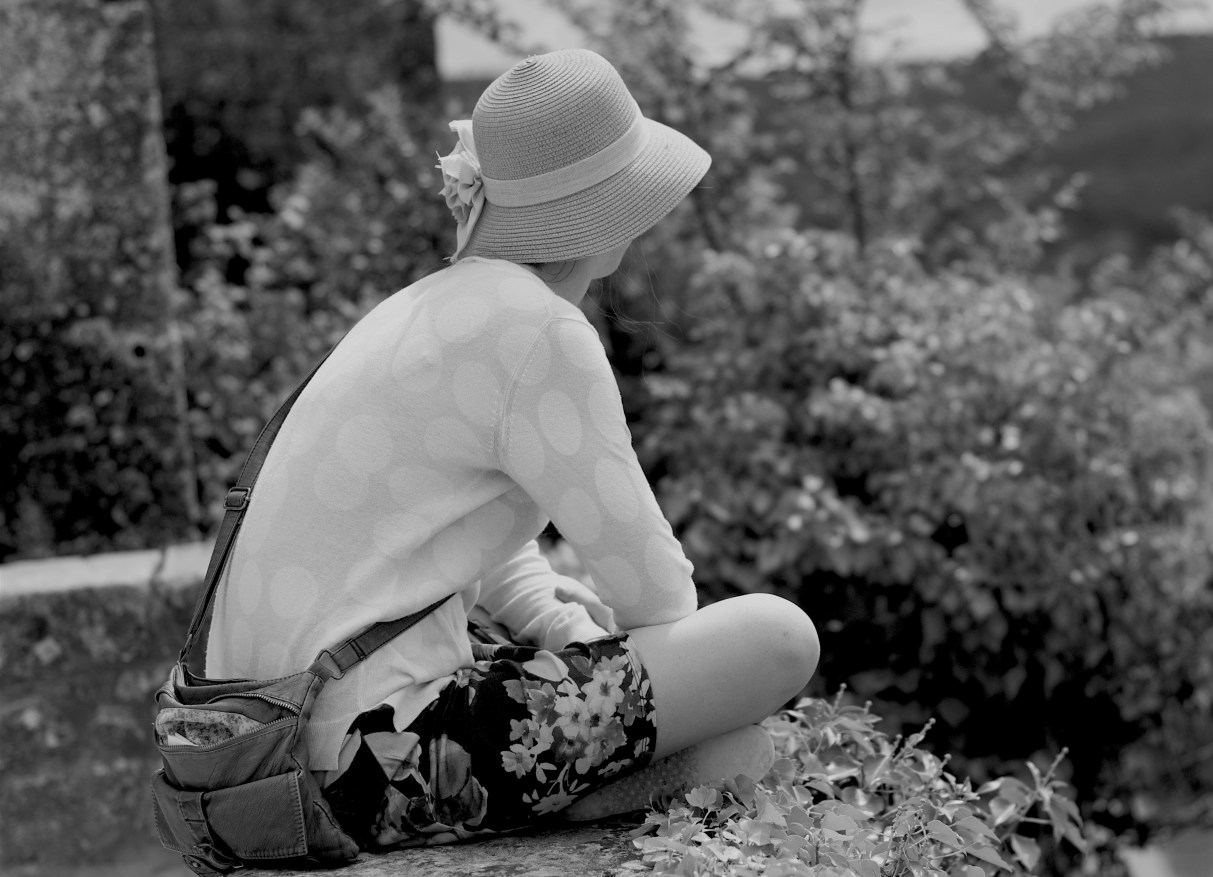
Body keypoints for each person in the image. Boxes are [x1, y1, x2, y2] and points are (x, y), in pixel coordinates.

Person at [203, 48, 820, 848]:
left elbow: (481, 548)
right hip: (372, 757)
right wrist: (624, 668)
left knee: (735, 752)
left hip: (275, 746)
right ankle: (586, 790)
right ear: (612, 213)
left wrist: (567, 626)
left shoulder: (429, 307)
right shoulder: (541, 330)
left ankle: (581, 791)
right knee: (778, 636)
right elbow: (660, 599)